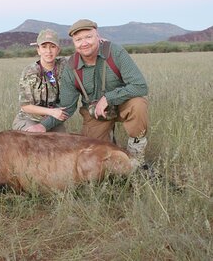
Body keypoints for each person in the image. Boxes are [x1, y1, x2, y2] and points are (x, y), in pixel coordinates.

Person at [26, 20, 149, 164]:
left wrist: (107, 99)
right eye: (78, 39)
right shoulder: (71, 67)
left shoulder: (115, 52)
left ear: (98, 36)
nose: (84, 43)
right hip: (95, 114)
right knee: (92, 157)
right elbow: (67, 107)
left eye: (89, 37)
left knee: (138, 104)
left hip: (122, 104)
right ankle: (112, 148)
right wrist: (43, 126)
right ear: (74, 43)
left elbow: (140, 86)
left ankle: (136, 157)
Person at [12, 29, 68, 132]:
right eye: (44, 47)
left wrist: (99, 43)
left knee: (63, 143)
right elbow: (26, 106)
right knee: (36, 139)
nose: (48, 51)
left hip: (53, 120)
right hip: (30, 119)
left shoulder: (64, 65)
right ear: (38, 50)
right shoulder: (30, 72)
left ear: (58, 50)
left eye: (52, 47)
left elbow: (83, 55)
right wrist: (52, 112)